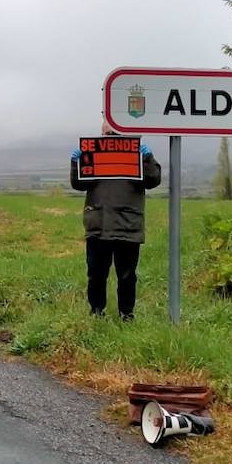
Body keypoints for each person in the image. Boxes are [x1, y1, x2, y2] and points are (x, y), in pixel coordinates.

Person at [70, 123, 162, 320]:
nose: (112, 137)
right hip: (98, 225)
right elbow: (78, 183)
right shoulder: (93, 155)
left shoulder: (138, 155)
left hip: (127, 225)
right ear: (102, 133)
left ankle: (126, 315)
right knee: (96, 274)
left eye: (116, 132)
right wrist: (75, 163)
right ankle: (96, 313)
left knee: (127, 276)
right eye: (108, 133)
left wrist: (147, 157)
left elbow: (153, 180)